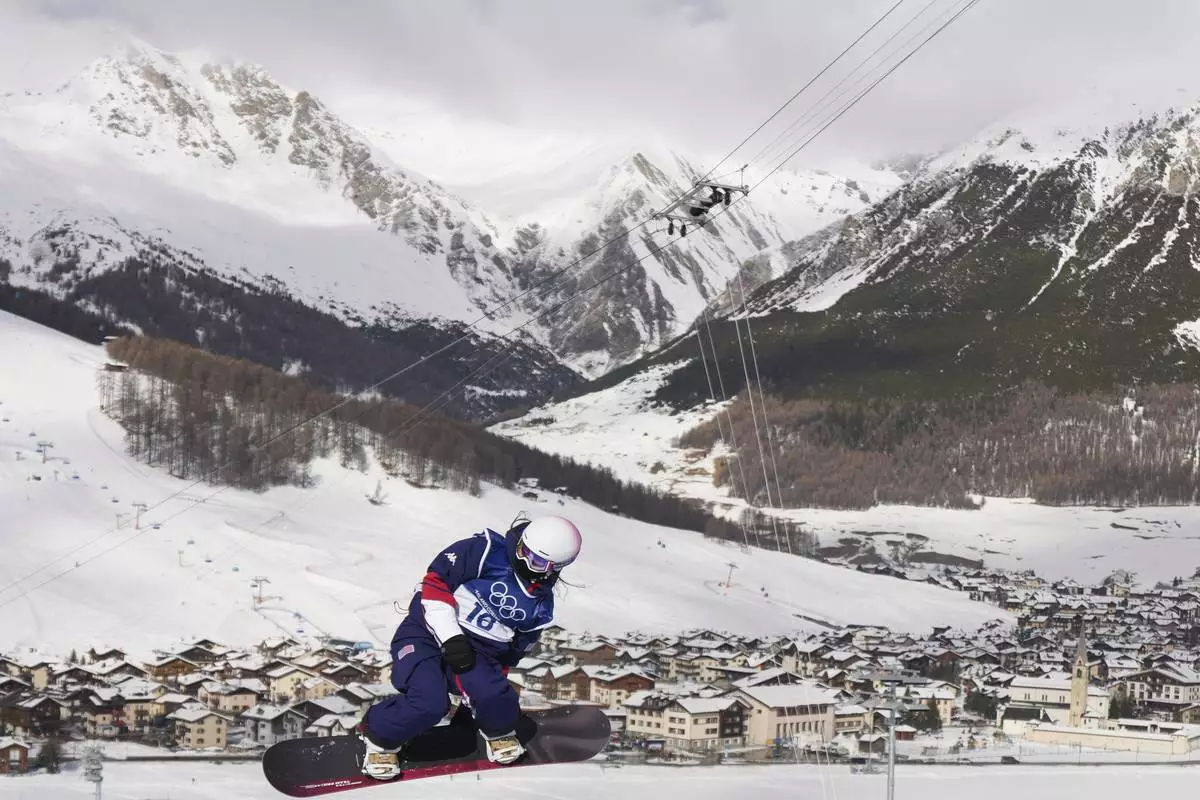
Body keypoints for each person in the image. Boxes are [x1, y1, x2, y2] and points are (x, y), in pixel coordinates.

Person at [356, 514, 583, 780]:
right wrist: (452, 637)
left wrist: (484, 697)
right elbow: (435, 582)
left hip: (478, 653)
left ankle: (498, 731)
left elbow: (515, 649)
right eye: (523, 550)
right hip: (424, 634)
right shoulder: (485, 551)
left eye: (538, 562)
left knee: (494, 693)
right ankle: (381, 737)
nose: (524, 560)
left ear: (556, 566)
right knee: (429, 702)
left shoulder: (540, 604)